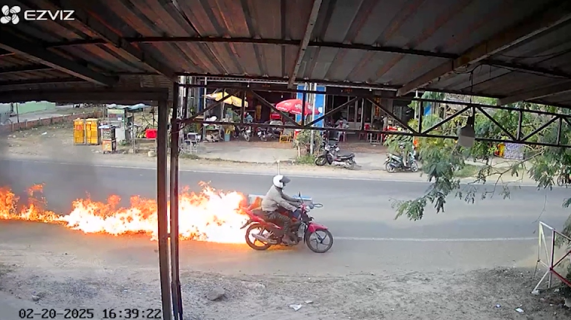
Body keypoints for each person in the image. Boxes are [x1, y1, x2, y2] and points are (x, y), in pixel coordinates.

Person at [261, 175, 302, 245]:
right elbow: (282, 202)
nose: (285, 184)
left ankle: (288, 232)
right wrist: (293, 208)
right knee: (287, 220)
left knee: (287, 213)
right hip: (269, 212)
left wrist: (296, 200)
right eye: (283, 183)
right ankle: (285, 237)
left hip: (272, 208)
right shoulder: (275, 192)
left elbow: (284, 197)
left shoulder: (276, 188)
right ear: (279, 183)